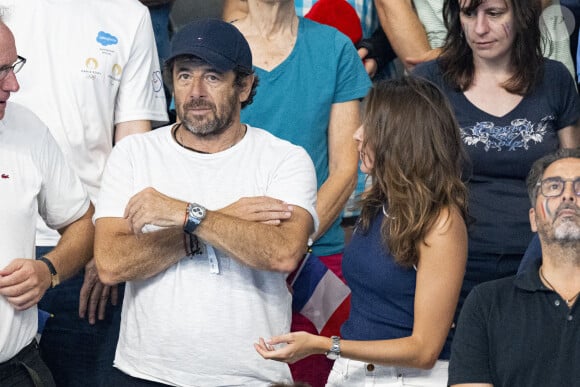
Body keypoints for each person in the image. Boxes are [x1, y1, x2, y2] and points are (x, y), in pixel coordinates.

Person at [94, 19, 318, 386]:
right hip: (145, 373)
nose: (195, 91)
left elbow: (282, 254)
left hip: (250, 375)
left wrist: (185, 213)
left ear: (244, 86)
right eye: (184, 76)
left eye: (212, 77)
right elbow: (112, 264)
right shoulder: (134, 154)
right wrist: (220, 221)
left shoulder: (285, 159)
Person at [255, 76, 468, 386]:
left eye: (371, 125)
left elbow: (424, 349)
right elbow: (372, 298)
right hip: (353, 372)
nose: (356, 135)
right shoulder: (377, 204)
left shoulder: (442, 222)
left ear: (403, 136)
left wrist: (324, 345)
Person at [0, 1, 169, 385]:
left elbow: (133, 151)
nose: (13, 84)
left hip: (83, 250)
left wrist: (111, 243)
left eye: (11, 70)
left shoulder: (129, 15)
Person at [229, 1, 371, 385]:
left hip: (315, 258)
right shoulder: (217, 44)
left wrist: (293, 242)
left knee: (322, 376)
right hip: (229, 260)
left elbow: (345, 168)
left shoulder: (334, 48)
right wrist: (246, 240)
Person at [413, 0, 580, 322]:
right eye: (468, 14)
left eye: (493, 13)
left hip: (540, 261)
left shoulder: (555, 78)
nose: (479, 28)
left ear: (521, 14)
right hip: (452, 260)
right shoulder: (430, 81)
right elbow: (406, 181)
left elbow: (572, 175)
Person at [0, 21, 94, 386]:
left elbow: (82, 223)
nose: (13, 84)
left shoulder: (27, 129)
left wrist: (48, 271)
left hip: (16, 371)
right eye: (0, 71)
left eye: (13, 66)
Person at [449, 148, 580, 387]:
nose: (568, 196)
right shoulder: (485, 304)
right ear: (533, 218)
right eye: (553, 187)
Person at [375, 0, 576, 75]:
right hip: (437, 62)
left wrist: (463, 52)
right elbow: (389, 4)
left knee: (556, 161)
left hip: (529, 57)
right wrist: (429, 73)